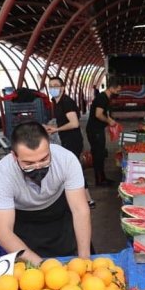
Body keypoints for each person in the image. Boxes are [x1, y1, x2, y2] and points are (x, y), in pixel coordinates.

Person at [0, 122, 92, 264]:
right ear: (14, 156)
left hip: (60, 217)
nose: (38, 166)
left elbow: (80, 210)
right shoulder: (3, 173)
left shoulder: (66, 160)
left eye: (44, 159)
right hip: (24, 222)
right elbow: (3, 232)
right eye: (29, 163)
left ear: (49, 146)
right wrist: (42, 266)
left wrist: (84, 259)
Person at [45, 76, 95, 208]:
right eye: (51, 86)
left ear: (62, 88)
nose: (53, 88)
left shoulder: (66, 102)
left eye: (56, 85)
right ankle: (86, 199)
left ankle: (87, 200)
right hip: (67, 139)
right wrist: (54, 128)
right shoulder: (57, 102)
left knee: (73, 169)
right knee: (72, 169)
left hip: (73, 140)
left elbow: (74, 123)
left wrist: (56, 129)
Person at [86, 78, 121, 186]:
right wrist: (108, 121)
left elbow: (103, 113)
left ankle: (102, 178)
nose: (118, 93)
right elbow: (98, 114)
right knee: (98, 155)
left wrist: (109, 119)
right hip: (94, 130)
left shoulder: (104, 97)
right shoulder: (102, 98)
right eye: (117, 91)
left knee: (100, 154)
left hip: (97, 130)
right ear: (111, 88)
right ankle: (100, 180)